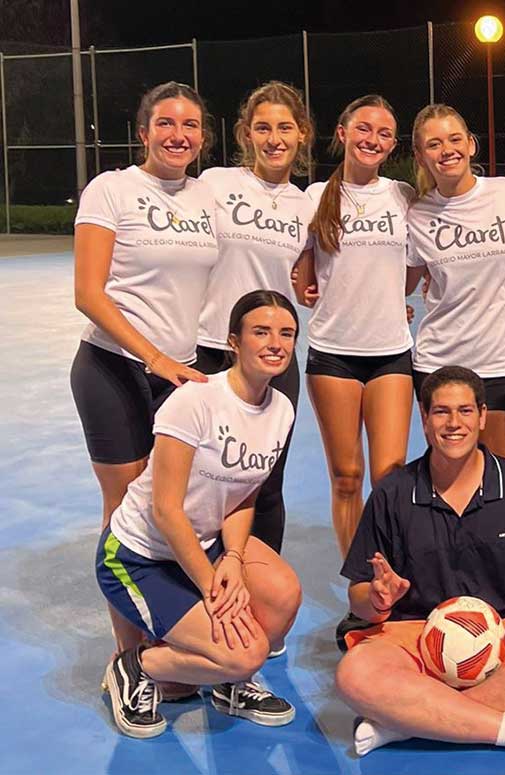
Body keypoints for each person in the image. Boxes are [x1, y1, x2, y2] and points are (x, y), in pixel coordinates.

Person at [334, 366, 505, 766]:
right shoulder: (393, 492)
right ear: (423, 419)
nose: (453, 423)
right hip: (415, 634)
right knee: (355, 674)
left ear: (482, 417)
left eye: (464, 411)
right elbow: (359, 598)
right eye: (441, 412)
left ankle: (410, 721)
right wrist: (377, 599)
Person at [96, 291, 302, 739]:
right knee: (245, 653)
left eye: (286, 333)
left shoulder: (281, 410)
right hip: (139, 555)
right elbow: (166, 511)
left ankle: (228, 688)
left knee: (283, 594)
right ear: (234, 341)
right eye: (261, 332)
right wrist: (212, 585)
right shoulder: (195, 401)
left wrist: (231, 558)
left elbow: (244, 494)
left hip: (205, 550)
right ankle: (134, 667)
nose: (275, 343)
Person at [71, 81, 218, 659]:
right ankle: (128, 655)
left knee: (173, 507)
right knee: (126, 512)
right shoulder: (112, 190)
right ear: (143, 131)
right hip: (114, 369)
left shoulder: (207, 196)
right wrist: (154, 357)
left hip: (179, 374)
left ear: (203, 137)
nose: (178, 135)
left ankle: (168, 640)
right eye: (165, 123)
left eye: (190, 126)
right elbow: (88, 292)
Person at [194, 81, 315, 557]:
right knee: (202, 477)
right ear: (246, 133)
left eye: (285, 127)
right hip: (209, 352)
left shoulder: (306, 207)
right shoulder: (215, 185)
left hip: (272, 360)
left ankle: (259, 587)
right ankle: (195, 586)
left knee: (264, 481)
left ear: (302, 133)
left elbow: (313, 280)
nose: (274, 138)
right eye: (262, 127)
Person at [292, 95, 415, 559]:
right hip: (333, 354)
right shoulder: (315, 197)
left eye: (384, 133)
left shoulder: (402, 196)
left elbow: (418, 264)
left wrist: (392, 298)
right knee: (346, 477)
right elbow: (302, 271)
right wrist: (304, 285)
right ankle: (359, 582)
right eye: (364, 129)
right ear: (342, 133)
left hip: (390, 354)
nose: (373, 139)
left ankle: (394, 574)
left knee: (390, 476)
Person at [405, 104, 505, 462]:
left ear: (471, 144)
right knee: (450, 475)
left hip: (502, 361)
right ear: (420, 155)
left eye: (455, 139)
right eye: (434, 144)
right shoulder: (417, 213)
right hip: (439, 361)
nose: (447, 150)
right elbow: (399, 280)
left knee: (503, 477)